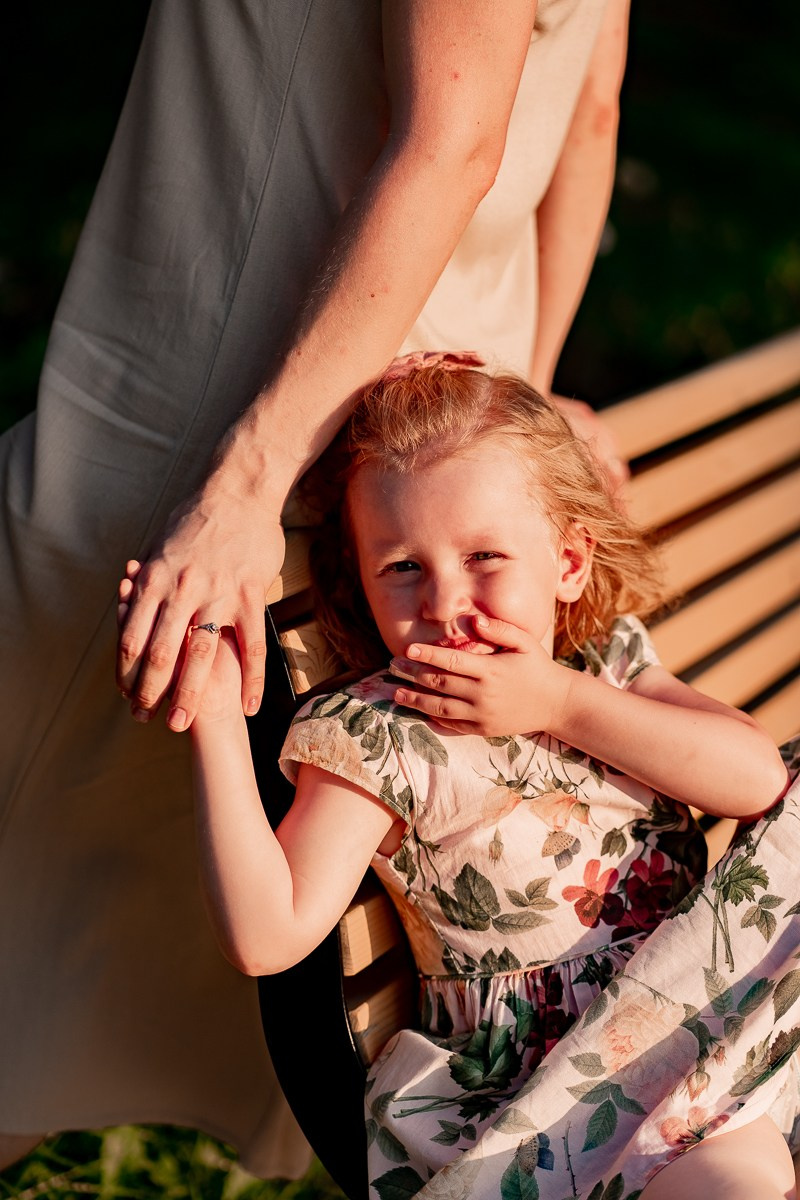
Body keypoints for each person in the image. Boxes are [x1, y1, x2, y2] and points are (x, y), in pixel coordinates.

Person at [1, 0, 633, 1172]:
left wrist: (246, 479)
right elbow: (585, 112)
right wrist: (517, 415)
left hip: (240, 381)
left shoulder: (247, 460)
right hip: (434, 408)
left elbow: (454, 141)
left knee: (37, 825)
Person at [189, 358, 800, 1199]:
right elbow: (269, 933)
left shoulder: (603, 667)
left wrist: (560, 700)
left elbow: (757, 779)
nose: (444, 603)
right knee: (741, 1182)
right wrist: (217, 722)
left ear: (569, 563)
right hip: (578, 1089)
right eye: (402, 567)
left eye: (484, 555)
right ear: (360, 581)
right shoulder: (381, 736)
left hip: (722, 997)